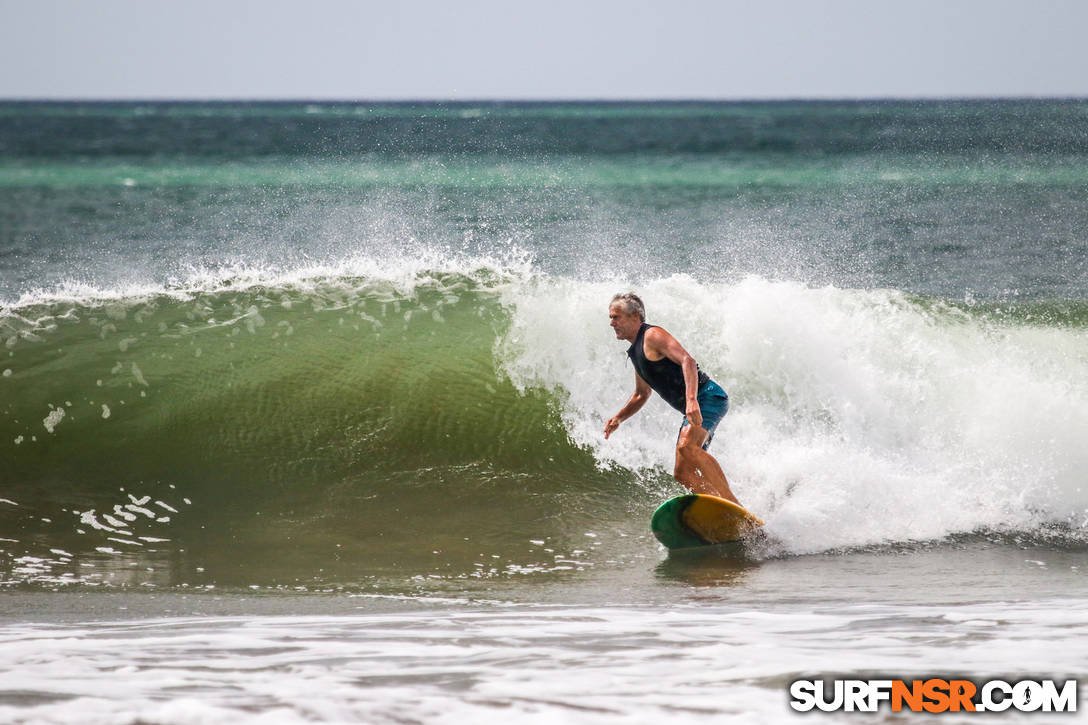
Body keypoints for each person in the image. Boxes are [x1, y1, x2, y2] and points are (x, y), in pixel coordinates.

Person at [604, 292, 741, 505]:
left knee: (688, 447)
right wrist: (618, 419)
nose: (612, 323)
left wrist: (692, 400)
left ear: (635, 316)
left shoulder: (652, 335)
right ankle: (723, 508)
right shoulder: (635, 352)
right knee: (682, 473)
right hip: (697, 403)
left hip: (708, 397)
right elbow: (641, 394)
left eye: (616, 317)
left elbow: (687, 360)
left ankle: (735, 505)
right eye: (611, 317)